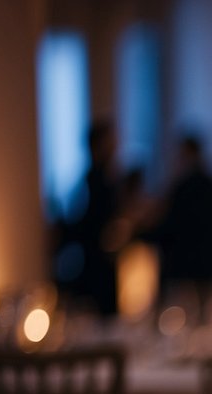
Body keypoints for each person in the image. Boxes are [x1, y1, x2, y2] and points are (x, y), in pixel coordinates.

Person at [146, 133, 212, 321]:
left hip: (183, 266)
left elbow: (170, 226)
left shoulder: (182, 188)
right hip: (207, 262)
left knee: (184, 319)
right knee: (205, 317)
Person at [65, 119, 121, 317]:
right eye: (111, 140)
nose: (116, 145)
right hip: (95, 265)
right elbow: (83, 224)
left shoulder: (105, 178)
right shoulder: (93, 181)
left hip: (103, 262)